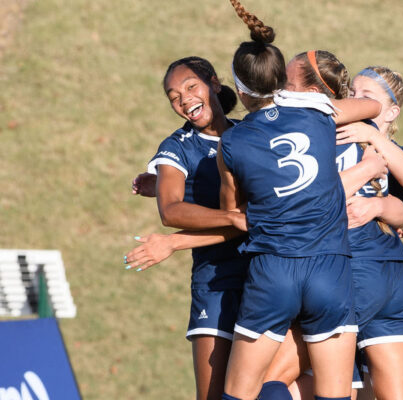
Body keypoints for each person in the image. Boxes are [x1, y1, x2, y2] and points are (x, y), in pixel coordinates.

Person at [219, 1, 382, 399]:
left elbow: (230, 213)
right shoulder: (317, 110)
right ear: (280, 79)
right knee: (334, 394)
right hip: (329, 266)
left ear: (239, 88)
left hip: (272, 268)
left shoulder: (232, 141)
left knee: (239, 393)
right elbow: (374, 106)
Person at [262, 54, 403, 400]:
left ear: (391, 112)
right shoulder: (332, 134)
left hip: (350, 270)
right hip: (385, 275)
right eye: (354, 93)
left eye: (369, 97)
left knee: (267, 380)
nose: (358, 101)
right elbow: (401, 212)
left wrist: (373, 144)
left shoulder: (389, 149)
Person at [125, 56, 249, 400]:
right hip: (216, 282)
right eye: (173, 96)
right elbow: (170, 210)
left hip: (266, 275)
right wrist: (232, 217)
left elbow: (255, 219)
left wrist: (173, 244)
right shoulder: (176, 147)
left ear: (214, 83)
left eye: (191, 86)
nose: (184, 99)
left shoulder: (250, 134)